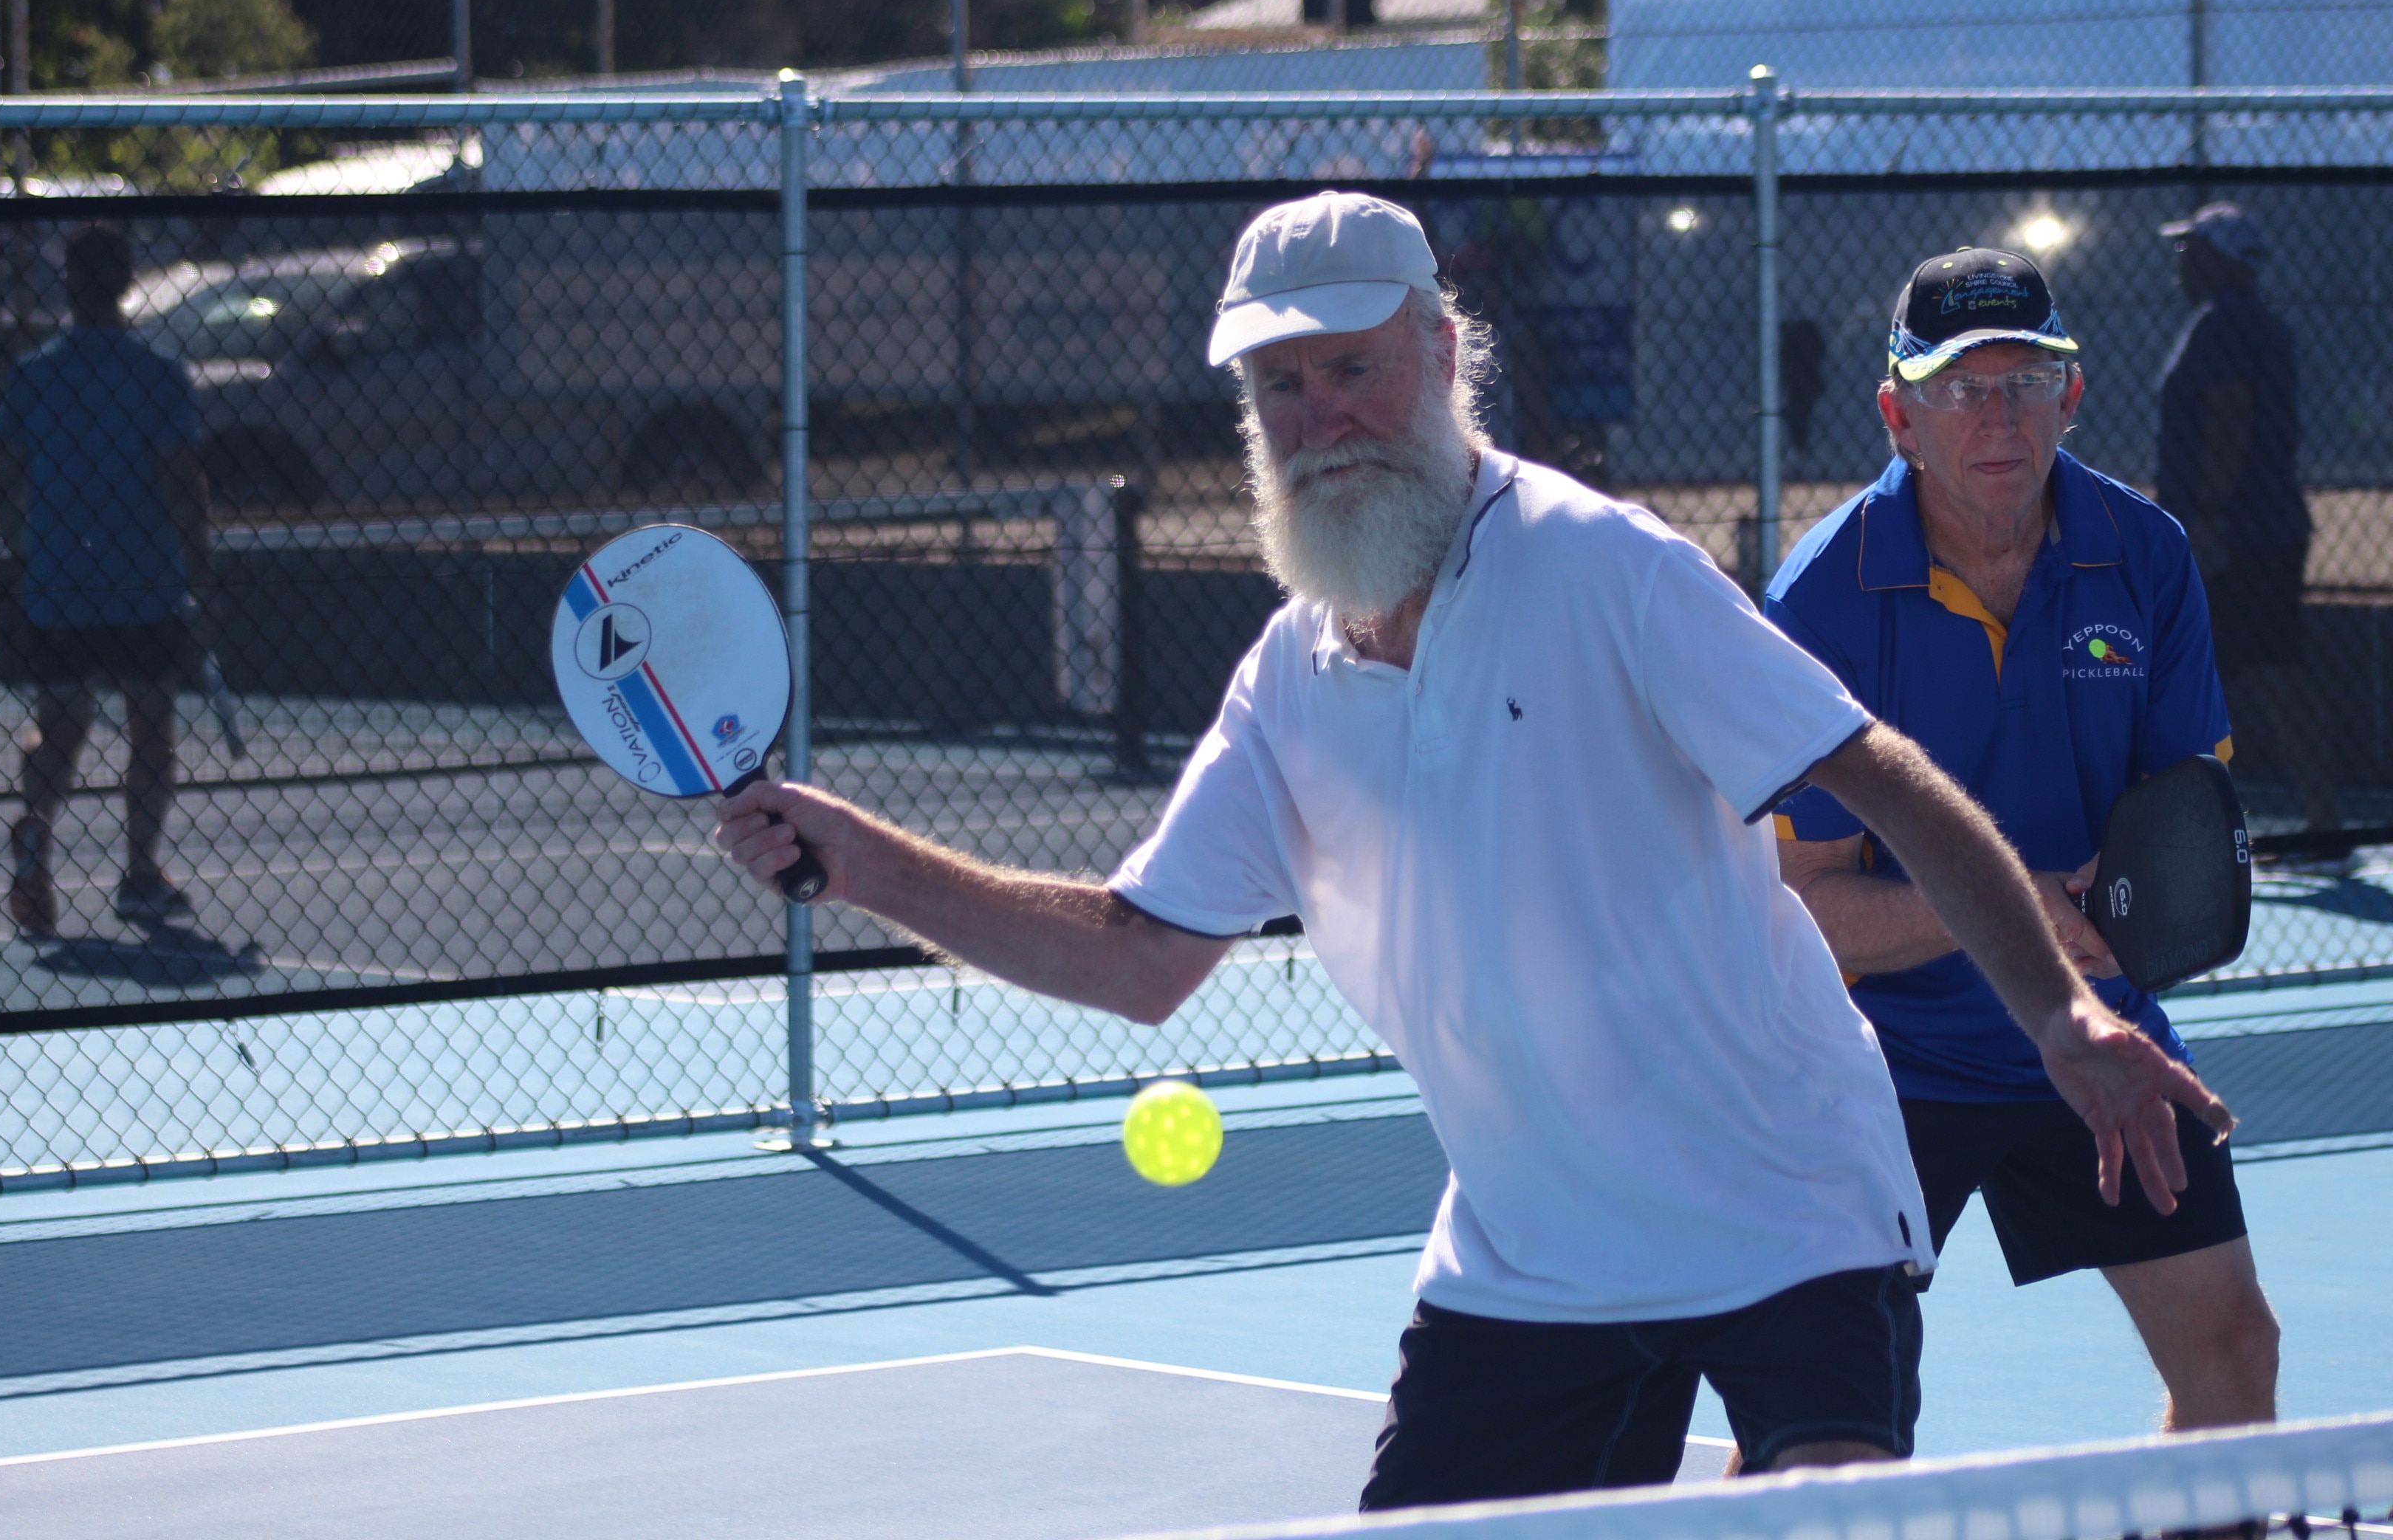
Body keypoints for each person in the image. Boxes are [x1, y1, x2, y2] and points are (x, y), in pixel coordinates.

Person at [715, 194, 2229, 1510]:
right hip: (1536, 1260)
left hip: (1789, 1211)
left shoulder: (1604, 570)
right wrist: (861, 861)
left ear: (1441, 356)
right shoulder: (1289, 684)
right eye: (1283, 386)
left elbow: (1882, 779)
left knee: (1821, 1524)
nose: (1322, 419)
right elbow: (1139, 957)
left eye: (1354, 371)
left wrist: (2067, 1016)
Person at [1765, 247, 2280, 1436]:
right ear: (1898, 416)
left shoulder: (2146, 556)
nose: (1994, 416)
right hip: (1876, 1067)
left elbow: (2183, 818)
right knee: (1826, 1427)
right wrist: (2018, 911)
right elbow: (1801, 906)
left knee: (2235, 1358)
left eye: (2023, 380)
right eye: (1956, 389)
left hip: (2099, 1038)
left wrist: (2142, 901)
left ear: (2073, 395)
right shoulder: (1819, 600)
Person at [0, 224, 213, 937]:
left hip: (60, 583)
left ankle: (36, 834)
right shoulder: (158, 375)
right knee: (150, 727)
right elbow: (181, 480)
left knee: (60, 724)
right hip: (143, 585)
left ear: (69, 285)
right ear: (126, 284)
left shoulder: (31, 378)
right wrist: (198, 561)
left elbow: (6, 487)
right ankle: (140, 873)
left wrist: (33, 554)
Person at [2154, 202, 2335, 842]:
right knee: (2255, 669)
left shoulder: (2224, 326)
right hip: (2257, 528)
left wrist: (2205, 518)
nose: (2181, 262)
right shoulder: (2256, 324)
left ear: (2220, 260)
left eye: (2192, 250)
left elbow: (2229, 419)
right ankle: (2312, 815)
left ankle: (2318, 818)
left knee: (2264, 670)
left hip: (2238, 535)